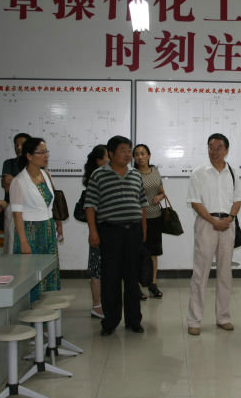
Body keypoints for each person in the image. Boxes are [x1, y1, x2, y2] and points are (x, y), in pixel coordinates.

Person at [84, 136, 148, 336]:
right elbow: (90, 205)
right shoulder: (98, 175)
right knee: (110, 279)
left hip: (133, 232)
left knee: (132, 278)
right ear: (111, 153)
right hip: (110, 232)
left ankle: (134, 320)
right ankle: (110, 322)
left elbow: (142, 205)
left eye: (129, 150)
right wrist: (93, 232)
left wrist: (143, 231)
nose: (128, 154)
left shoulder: (135, 174)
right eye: (123, 150)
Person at [186, 133, 241, 336]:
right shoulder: (198, 173)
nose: (214, 151)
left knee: (225, 273)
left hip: (227, 225)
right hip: (206, 224)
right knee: (200, 273)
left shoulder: (233, 172)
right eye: (211, 147)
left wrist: (230, 218)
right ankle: (194, 320)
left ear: (226, 150)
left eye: (219, 148)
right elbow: (195, 202)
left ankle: (223, 318)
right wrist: (213, 221)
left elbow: (237, 200)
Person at [9, 137, 62, 302]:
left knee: (48, 273)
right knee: (31, 275)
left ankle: (48, 310)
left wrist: (58, 224)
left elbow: (52, 204)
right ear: (29, 156)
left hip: (48, 230)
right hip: (30, 233)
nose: (46, 156)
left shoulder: (45, 175)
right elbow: (17, 214)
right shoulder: (18, 181)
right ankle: (31, 311)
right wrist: (24, 242)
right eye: (41, 152)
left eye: (46, 152)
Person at [134, 144, 166, 299]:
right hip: (138, 219)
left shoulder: (155, 172)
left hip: (155, 218)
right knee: (137, 253)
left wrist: (159, 196)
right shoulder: (132, 174)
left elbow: (162, 192)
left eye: (143, 153)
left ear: (149, 155)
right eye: (136, 154)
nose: (140, 157)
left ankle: (153, 284)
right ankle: (136, 286)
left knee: (153, 253)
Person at [81, 144, 109, 318]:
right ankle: (96, 305)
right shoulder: (96, 179)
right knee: (97, 268)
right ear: (99, 161)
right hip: (98, 230)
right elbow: (91, 207)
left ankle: (104, 303)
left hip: (108, 230)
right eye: (108, 157)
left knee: (105, 268)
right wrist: (93, 231)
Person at [1, 132, 31, 254]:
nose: (18, 147)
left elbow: (36, 190)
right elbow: (8, 187)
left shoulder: (35, 166)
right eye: (16, 144)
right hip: (13, 209)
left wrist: (15, 181)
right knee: (11, 246)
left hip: (31, 210)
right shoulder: (9, 163)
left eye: (22, 144)